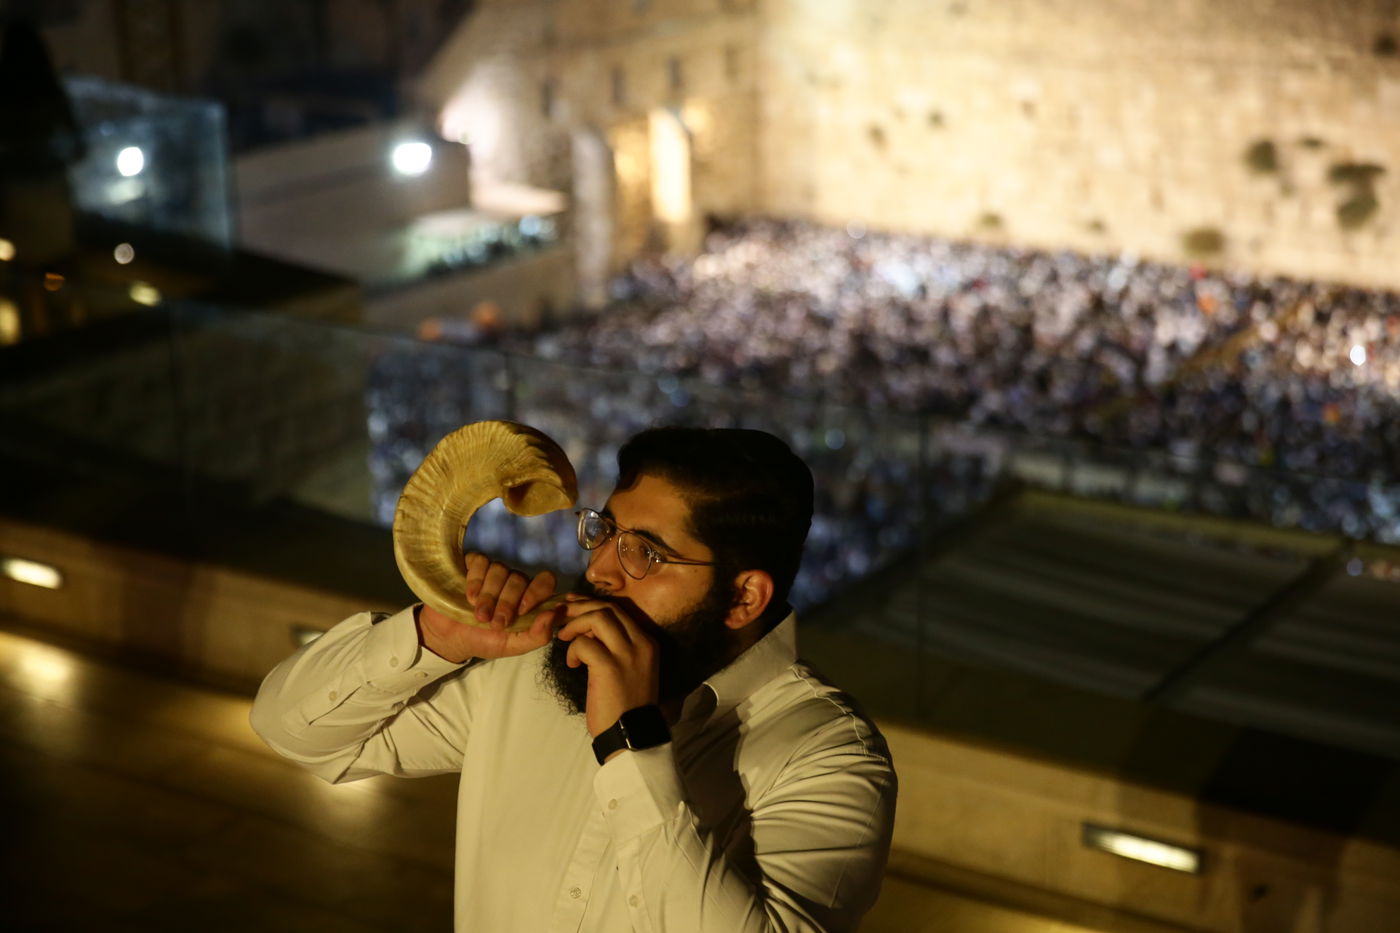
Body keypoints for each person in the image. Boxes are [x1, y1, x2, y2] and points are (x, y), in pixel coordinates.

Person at [250, 426, 897, 932]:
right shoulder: (532, 671)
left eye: (645, 551)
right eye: (606, 531)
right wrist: (436, 636)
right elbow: (293, 729)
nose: (602, 570)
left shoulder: (830, 758)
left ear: (743, 598)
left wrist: (630, 741)